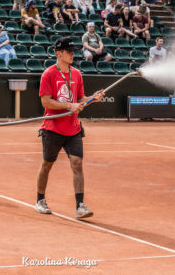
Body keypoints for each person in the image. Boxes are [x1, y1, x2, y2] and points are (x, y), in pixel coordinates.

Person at [35, 36, 105, 219]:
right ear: (59, 53)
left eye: (74, 51)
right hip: (53, 127)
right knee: (47, 164)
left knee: (77, 163)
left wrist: (93, 98)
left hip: (73, 127)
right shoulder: (48, 74)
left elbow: (80, 100)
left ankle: (80, 205)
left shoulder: (77, 74)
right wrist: (69, 106)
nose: (73, 54)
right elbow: (46, 101)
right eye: (69, 51)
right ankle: (40, 200)